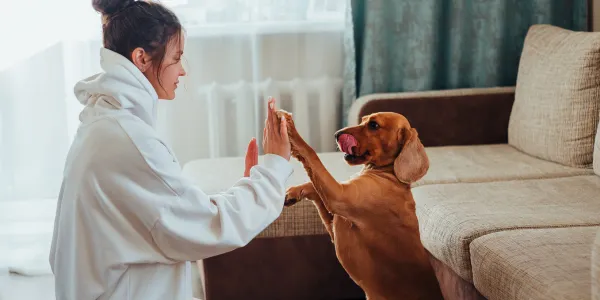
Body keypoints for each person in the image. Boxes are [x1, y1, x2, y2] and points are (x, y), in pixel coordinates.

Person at [49, 1, 292, 299]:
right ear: (141, 58)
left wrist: (250, 184)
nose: (183, 71)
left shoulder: (105, 122)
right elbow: (209, 225)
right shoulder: (129, 141)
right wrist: (274, 168)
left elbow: (174, 212)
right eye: (176, 58)